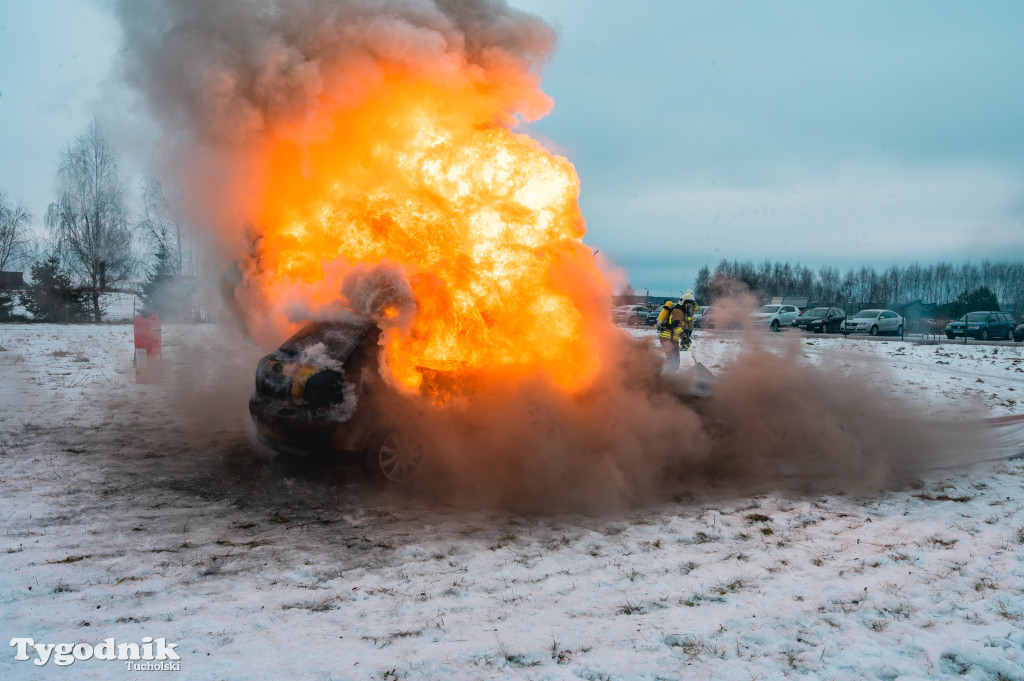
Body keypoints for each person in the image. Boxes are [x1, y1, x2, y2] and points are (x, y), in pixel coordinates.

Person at [656, 299, 680, 370]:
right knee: (672, 360)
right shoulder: (676, 313)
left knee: (671, 359)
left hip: (665, 337)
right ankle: (664, 376)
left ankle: (666, 375)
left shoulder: (669, 313)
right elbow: (676, 326)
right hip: (669, 338)